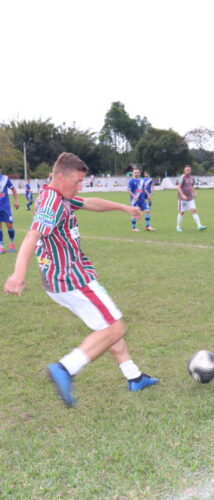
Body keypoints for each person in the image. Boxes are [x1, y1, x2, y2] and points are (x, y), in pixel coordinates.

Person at [3, 152, 158, 407]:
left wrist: (123, 207)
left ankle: (135, 377)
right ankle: (65, 367)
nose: (79, 187)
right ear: (60, 177)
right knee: (115, 327)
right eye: (76, 182)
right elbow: (32, 237)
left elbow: (90, 202)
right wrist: (18, 274)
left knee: (105, 326)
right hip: (71, 278)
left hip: (62, 279)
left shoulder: (62, 195)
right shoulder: (52, 202)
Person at [176, 165, 207, 232]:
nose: (188, 171)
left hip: (190, 198)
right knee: (182, 212)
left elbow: (191, 186)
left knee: (194, 210)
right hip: (182, 199)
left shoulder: (192, 178)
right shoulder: (181, 178)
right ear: (184, 170)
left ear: (191, 170)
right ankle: (178, 226)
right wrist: (183, 195)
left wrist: (194, 192)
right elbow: (178, 187)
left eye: (189, 170)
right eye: (187, 170)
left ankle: (199, 226)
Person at [127, 167, 155, 232]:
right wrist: (134, 196)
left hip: (142, 200)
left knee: (147, 211)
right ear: (133, 173)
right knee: (135, 213)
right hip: (135, 201)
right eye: (135, 172)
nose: (136, 173)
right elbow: (128, 190)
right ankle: (134, 228)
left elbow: (144, 189)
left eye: (137, 172)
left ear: (139, 173)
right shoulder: (131, 181)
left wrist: (148, 194)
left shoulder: (142, 180)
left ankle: (147, 226)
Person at [0, 170, 19, 254]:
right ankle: (1, 246)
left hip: (5, 207)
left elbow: (13, 189)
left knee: (9, 226)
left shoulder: (5, 178)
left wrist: (16, 201)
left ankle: (12, 243)